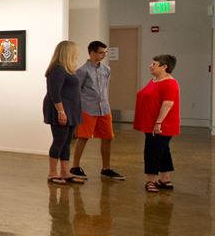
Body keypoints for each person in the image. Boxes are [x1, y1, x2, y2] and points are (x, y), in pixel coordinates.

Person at [71, 40, 126, 181]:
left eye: (105, 52)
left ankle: (106, 168)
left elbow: (104, 88)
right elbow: (76, 92)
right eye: (101, 53)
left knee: (108, 137)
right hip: (87, 109)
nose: (104, 55)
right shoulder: (82, 71)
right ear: (92, 53)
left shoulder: (106, 69)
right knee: (83, 137)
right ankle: (75, 167)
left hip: (104, 109)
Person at [133, 54, 180, 194]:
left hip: (161, 125)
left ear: (164, 67)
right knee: (163, 150)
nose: (150, 66)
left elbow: (167, 104)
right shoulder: (155, 80)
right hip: (151, 123)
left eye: (154, 64)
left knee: (152, 151)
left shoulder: (170, 83)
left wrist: (158, 123)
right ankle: (165, 179)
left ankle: (151, 180)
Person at [42, 40, 83, 186]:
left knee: (67, 142)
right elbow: (54, 93)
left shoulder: (67, 70)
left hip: (70, 110)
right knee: (59, 141)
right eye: (75, 51)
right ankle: (52, 173)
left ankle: (65, 172)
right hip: (61, 110)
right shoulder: (57, 70)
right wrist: (61, 111)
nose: (77, 54)